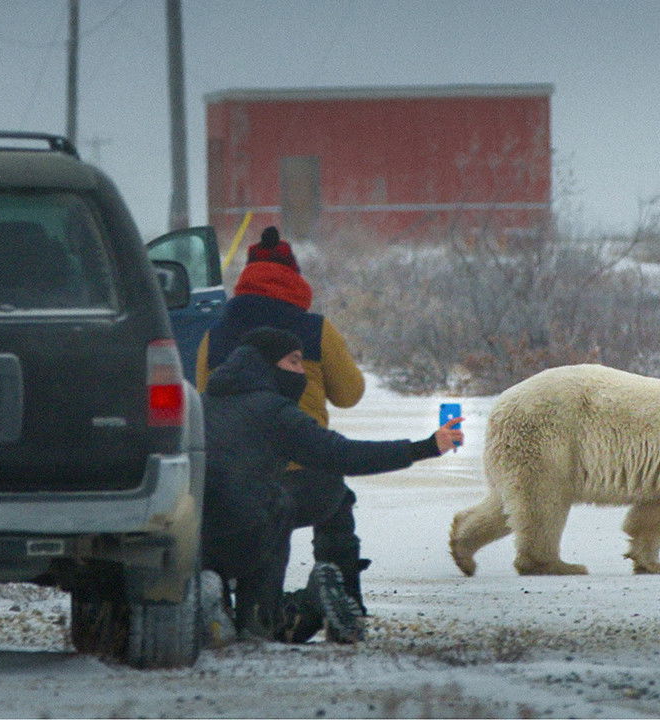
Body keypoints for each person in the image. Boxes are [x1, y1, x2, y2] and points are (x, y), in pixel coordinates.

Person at [199, 326, 463, 644]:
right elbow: (342, 455)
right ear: (267, 364)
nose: (302, 372)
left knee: (256, 505)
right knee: (274, 503)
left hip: (194, 534)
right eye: (295, 362)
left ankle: (212, 603)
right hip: (249, 528)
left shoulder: (200, 405)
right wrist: (425, 447)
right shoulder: (274, 412)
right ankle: (280, 612)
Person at [197, 226, 375, 619]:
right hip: (306, 480)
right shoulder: (314, 330)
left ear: (246, 276)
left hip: (236, 485)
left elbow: (204, 397)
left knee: (230, 529)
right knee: (337, 504)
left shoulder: (215, 334)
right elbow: (350, 394)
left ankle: (221, 597)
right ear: (295, 278)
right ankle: (344, 593)